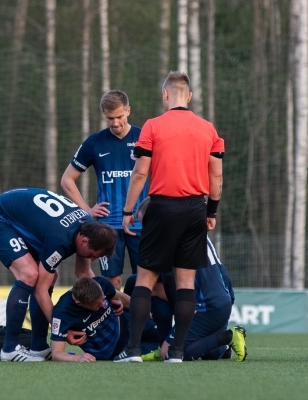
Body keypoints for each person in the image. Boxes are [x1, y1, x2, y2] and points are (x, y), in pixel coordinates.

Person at [114, 71, 225, 363]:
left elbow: (140, 172)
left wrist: (127, 211)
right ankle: (177, 352)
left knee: (145, 280)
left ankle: (134, 350)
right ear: (188, 96)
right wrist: (211, 211)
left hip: (162, 208)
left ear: (165, 95)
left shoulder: (152, 126)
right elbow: (217, 175)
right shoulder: (208, 129)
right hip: (195, 209)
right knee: (185, 283)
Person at [0, 188, 116, 362]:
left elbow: (83, 273)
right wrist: (62, 331)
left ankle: (39, 347)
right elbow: (40, 291)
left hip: (19, 214)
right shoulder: (60, 239)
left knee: (49, 275)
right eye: (91, 254)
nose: (91, 258)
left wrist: (105, 298)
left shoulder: (87, 226)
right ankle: (10, 349)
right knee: (29, 274)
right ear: (84, 241)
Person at [130, 197, 246, 362]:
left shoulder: (169, 238)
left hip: (206, 307)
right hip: (222, 302)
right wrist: (229, 298)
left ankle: (228, 337)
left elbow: (170, 280)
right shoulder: (196, 230)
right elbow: (222, 271)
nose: (146, 228)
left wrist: (183, 306)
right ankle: (221, 345)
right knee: (210, 354)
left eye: (147, 222)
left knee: (171, 353)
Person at [61, 90, 148, 290]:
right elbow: (67, 180)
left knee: (145, 282)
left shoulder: (145, 137)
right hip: (108, 228)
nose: (115, 122)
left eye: (119, 116)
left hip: (141, 224)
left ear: (128, 110)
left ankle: (140, 322)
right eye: (110, 118)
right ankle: (113, 322)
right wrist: (87, 210)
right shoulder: (94, 142)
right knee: (112, 283)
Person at [50, 276, 136, 362]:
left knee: (133, 279)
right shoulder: (61, 313)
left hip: (127, 326)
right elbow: (56, 354)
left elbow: (122, 298)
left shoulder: (101, 283)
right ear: (79, 303)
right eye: (98, 305)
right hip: (113, 352)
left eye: (104, 298)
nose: (103, 304)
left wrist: (144, 312)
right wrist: (77, 358)